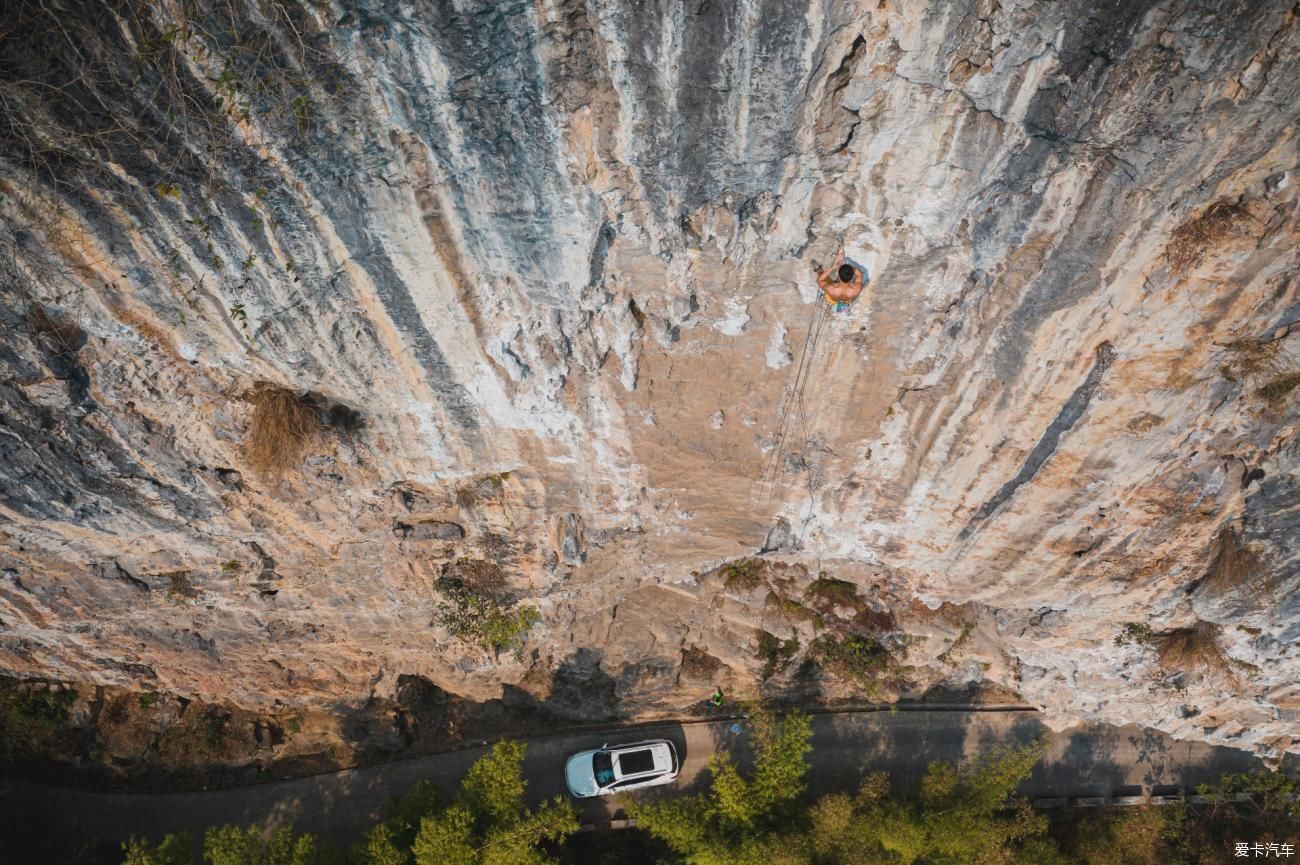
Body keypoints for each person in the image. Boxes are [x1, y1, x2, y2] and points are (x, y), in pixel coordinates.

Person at [814, 241, 866, 311]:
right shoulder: (856, 289)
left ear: (838, 274)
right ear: (851, 278)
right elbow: (859, 274)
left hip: (832, 298)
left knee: (822, 277)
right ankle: (843, 306)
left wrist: (833, 267)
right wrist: (849, 268)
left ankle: (819, 270)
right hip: (846, 299)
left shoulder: (831, 289)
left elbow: (819, 280)